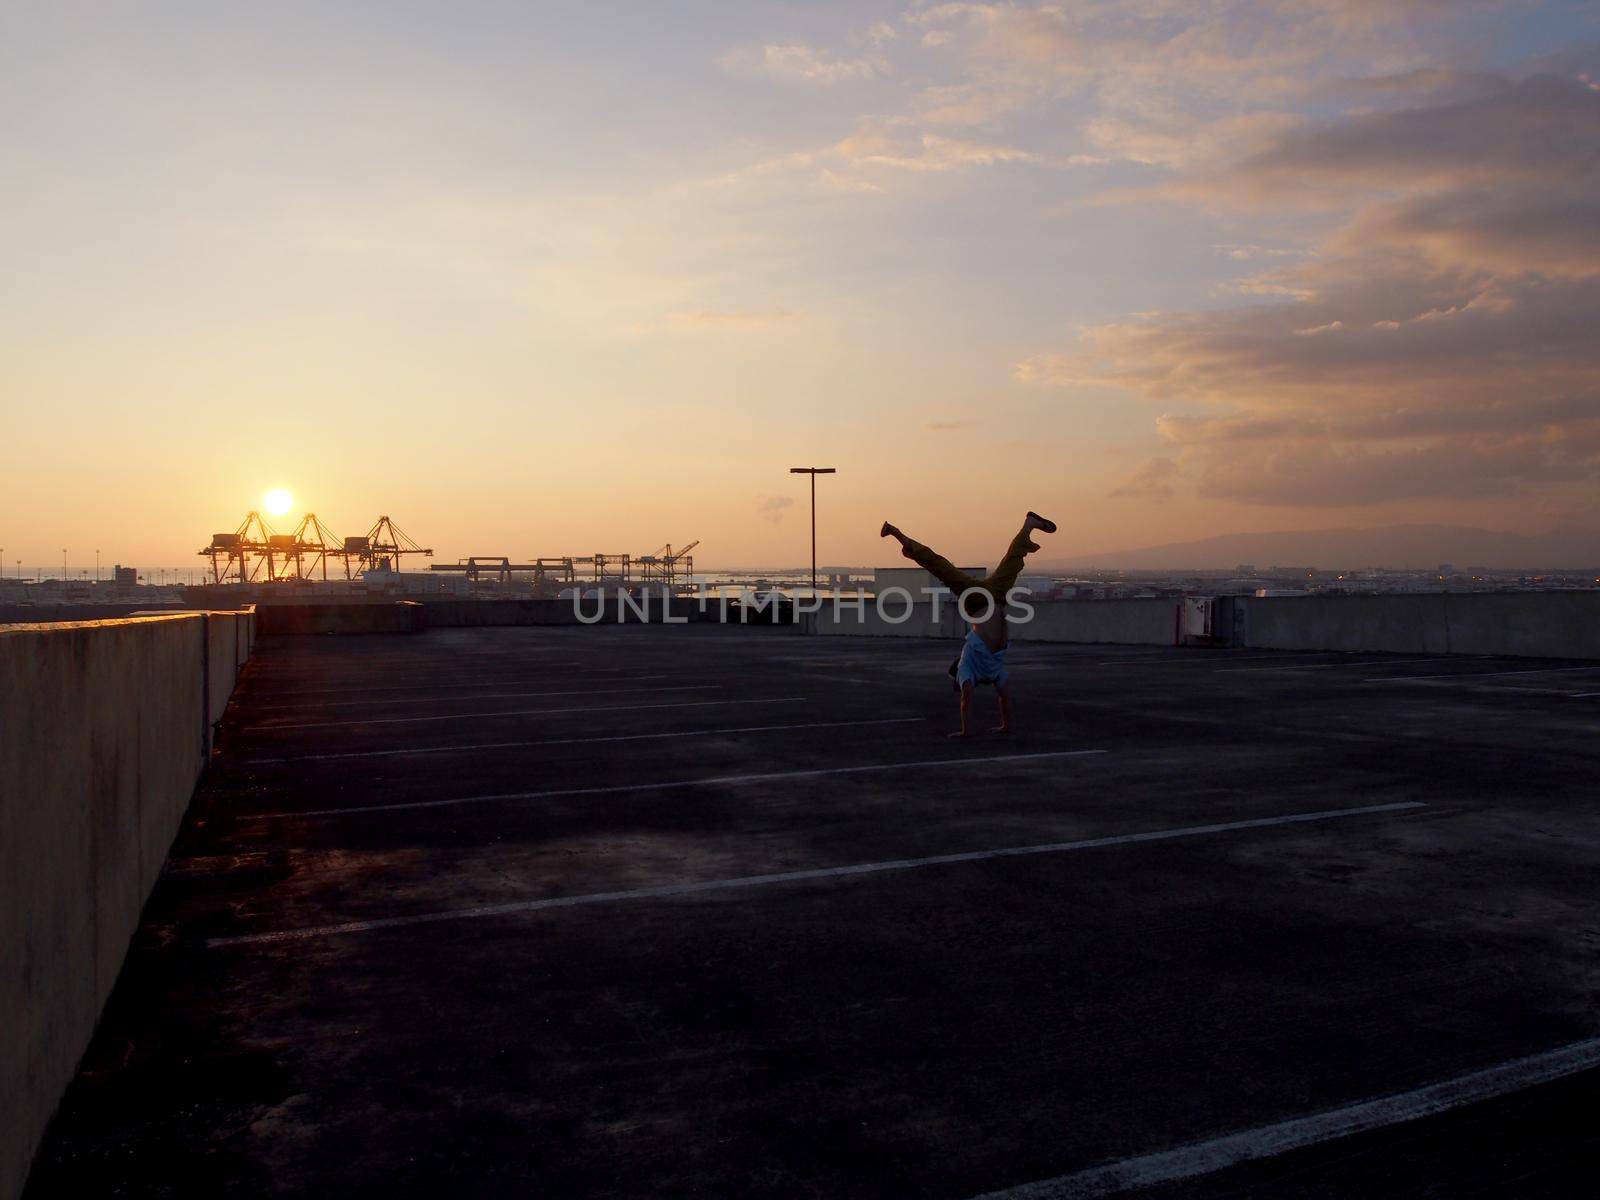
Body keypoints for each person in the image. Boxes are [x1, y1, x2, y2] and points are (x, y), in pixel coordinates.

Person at [880, 512, 1057, 738]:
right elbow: (1003, 700)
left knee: (940, 566)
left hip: (977, 601)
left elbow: (967, 700)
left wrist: (966, 731)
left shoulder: (968, 671)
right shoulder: (995, 672)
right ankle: (1028, 525)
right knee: (1009, 562)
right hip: (995, 597)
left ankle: (896, 533)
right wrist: (1006, 726)